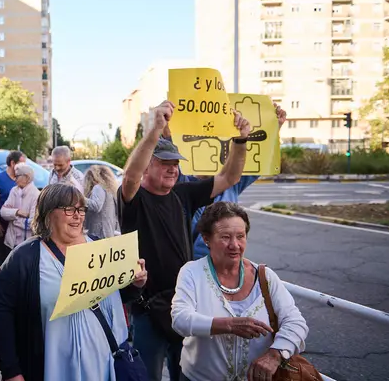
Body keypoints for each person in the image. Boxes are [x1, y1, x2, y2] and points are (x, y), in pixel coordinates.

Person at [119, 100, 251, 381]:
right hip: (148, 310)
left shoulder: (183, 194)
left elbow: (229, 177)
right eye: (164, 163)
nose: (173, 169)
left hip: (185, 305)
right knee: (148, 376)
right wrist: (155, 129)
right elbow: (130, 176)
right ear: (147, 166)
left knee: (188, 374)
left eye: (176, 164)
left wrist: (240, 140)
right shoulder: (135, 200)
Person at [0, 183, 148, 381]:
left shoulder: (100, 247)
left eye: (81, 209)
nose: (78, 216)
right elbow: (4, 315)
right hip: (53, 368)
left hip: (105, 365)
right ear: (48, 213)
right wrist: (11, 370)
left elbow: (116, 295)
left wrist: (135, 283)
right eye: (69, 209)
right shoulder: (23, 259)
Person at [171, 202, 309, 381]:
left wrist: (275, 354)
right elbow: (180, 319)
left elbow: (295, 321)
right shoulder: (192, 272)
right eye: (225, 237)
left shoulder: (264, 276)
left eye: (240, 236)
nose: (234, 245)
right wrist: (229, 325)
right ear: (206, 239)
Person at [168, 101, 288, 259]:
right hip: (192, 265)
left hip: (227, 262)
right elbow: (169, 153)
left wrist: (274, 126)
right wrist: (165, 128)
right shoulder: (182, 182)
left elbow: (258, 161)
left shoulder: (232, 183)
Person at [0, 151, 26, 277]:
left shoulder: (22, 179)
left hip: (18, 228)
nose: (24, 166)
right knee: (0, 261)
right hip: (2, 228)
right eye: (22, 163)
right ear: (12, 163)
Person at [0, 163, 40, 270]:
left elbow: (32, 223)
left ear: (27, 177)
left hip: (25, 243)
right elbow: (3, 212)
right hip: (10, 242)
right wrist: (17, 212)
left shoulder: (36, 195)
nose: (14, 179)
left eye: (17, 176)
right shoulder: (14, 190)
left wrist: (13, 219)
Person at [82, 165, 120, 238]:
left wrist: (80, 198)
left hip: (99, 232)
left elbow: (96, 206)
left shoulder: (98, 187)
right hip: (108, 231)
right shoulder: (109, 190)